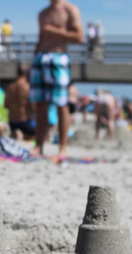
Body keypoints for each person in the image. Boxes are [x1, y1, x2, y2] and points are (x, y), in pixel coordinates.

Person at [29, 0, 83, 156]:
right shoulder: (43, 13)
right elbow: (41, 39)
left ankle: (62, 147)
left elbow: (79, 37)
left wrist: (54, 31)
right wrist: (34, 60)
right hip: (41, 58)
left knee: (62, 104)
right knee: (39, 104)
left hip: (59, 56)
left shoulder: (70, 9)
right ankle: (39, 145)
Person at [5, 64, 35, 140]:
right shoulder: (28, 87)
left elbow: (6, 105)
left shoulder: (10, 87)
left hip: (12, 122)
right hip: (25, 122)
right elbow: (32, 107)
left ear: (17, 73)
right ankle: (24, 134)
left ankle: (16, 132)